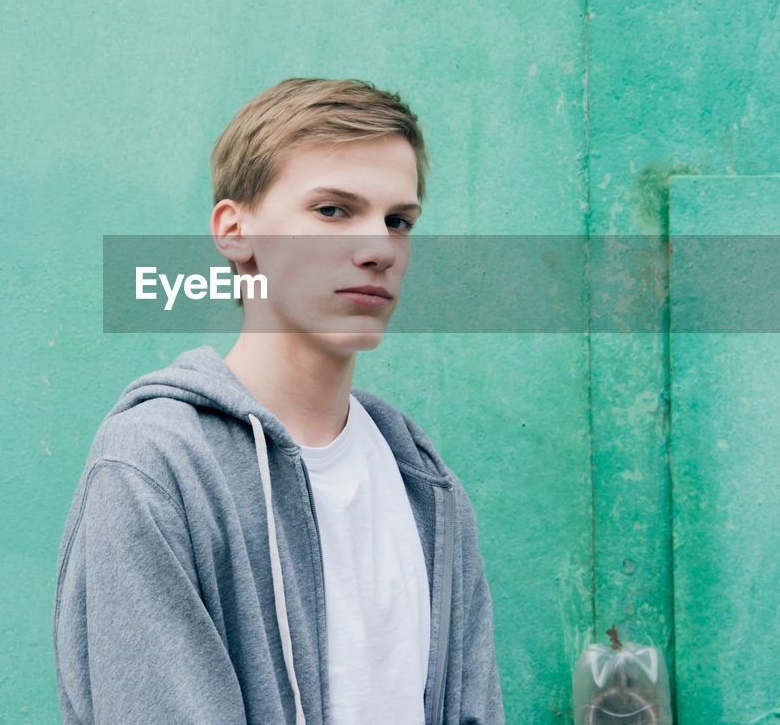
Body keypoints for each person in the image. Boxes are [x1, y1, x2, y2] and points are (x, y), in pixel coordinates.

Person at [53, 78, 505, 724]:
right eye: (333, 210)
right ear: (236, 232)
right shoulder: (157, 470)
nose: (379, 247)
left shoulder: (427, 490)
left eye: (398, 220)